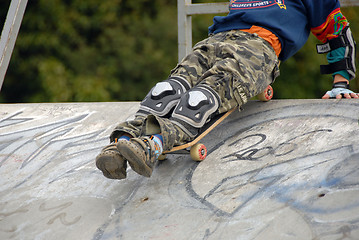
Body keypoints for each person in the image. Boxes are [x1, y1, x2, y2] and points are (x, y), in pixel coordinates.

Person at [95, 0, 357, 180]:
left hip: (257, 47)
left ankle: (153, 144)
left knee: (198, 101)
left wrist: (340, 84)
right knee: (165, 91)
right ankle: (123, 143)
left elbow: (336, 31)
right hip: (216, 39)